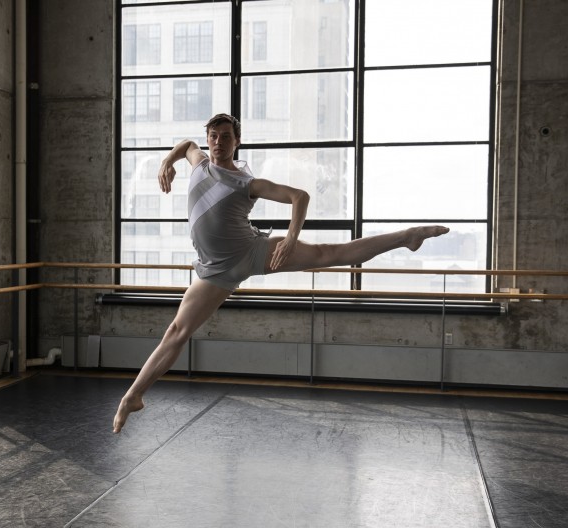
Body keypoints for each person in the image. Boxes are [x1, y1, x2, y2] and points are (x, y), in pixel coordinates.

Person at [113, 113, 448, 433]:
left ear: (237, 142)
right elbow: (185, 145)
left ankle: (406, 236)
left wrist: (290, 238)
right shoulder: (198, 163)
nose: (218, 142)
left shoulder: (246, 182)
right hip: (215, 270)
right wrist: (166, 162)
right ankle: (134, 395)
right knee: (176, 331)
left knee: (330, 254)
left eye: (225, 137)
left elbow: (298, 197)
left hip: (251, 252)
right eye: (213, 137)